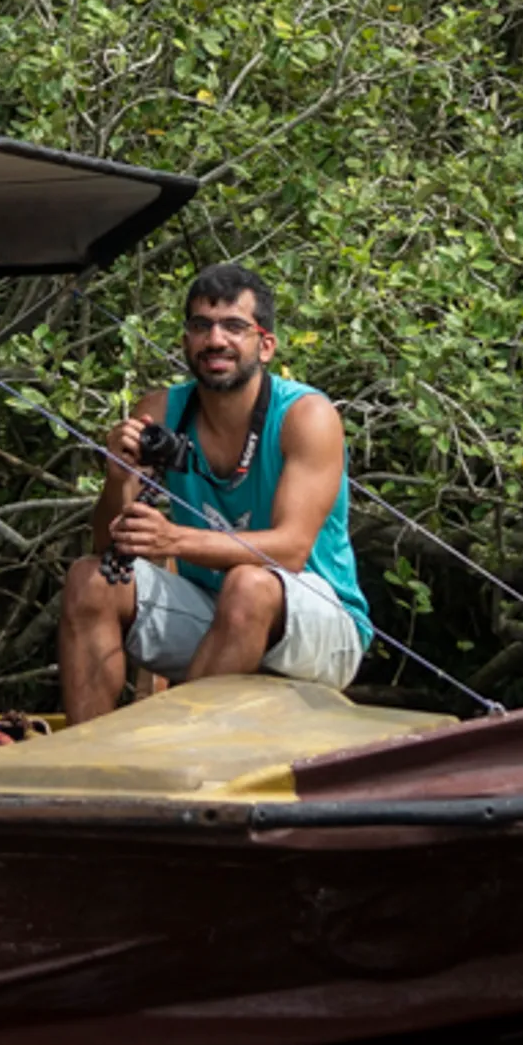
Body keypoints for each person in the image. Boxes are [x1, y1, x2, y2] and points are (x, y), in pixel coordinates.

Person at [56, 266, 371, 722]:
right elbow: (109, 549)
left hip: (320, 627)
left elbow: (292, 550)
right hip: (216, 616)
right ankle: (89, 768)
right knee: (91, 580)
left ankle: (175, 757)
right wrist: (117, 477)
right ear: (186, 342)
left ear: (266, 345)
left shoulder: (306, 415)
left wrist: (175, 542)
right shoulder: (161, 411)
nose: (215, 340)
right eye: (201, 326)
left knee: (249, 583)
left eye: (234, 327)